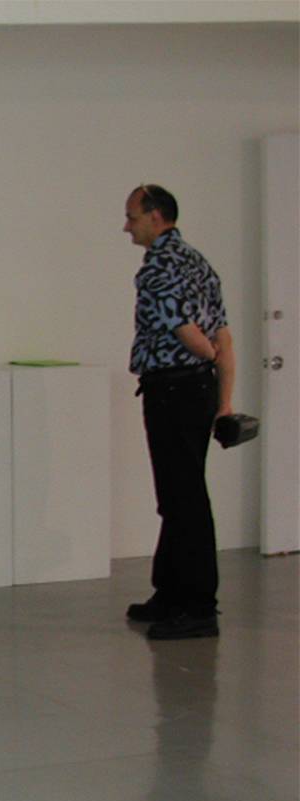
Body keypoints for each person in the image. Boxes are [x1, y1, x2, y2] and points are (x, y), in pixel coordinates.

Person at [123, 183, 233, 640]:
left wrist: (204, 353)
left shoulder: (158, 267)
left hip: (173, 390)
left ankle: (198, 606)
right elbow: (224, 334)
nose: (126, 226)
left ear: (155, 217)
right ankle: (169, 593)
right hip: (197, 391)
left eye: (132, 217)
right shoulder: (198, 262)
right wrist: (223, 401)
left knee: (183, 499)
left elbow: (191, 333)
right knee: (179, 495)